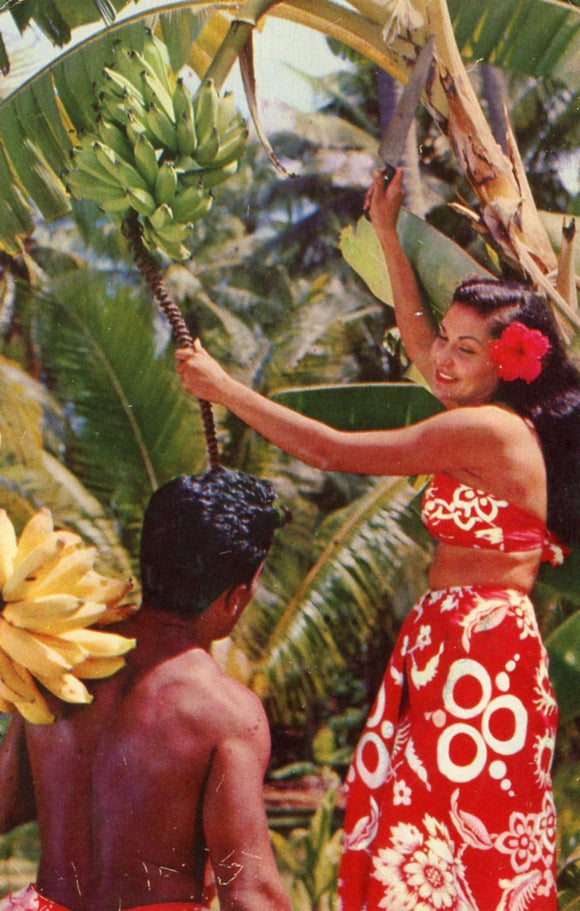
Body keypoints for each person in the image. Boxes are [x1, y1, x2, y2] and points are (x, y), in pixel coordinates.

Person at [174, 168, 579, 910]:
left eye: (465, 350)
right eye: (447, 342)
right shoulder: (487, 410)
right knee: (426, 832)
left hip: (478, 651)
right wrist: (389, 234)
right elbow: (421, 339)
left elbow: (332, 450)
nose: (441, 361)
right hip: (456, 642)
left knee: (458, 836)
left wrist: (223, 387)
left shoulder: (486, 429)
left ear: (512, 358)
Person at [0, 468, 291, 911]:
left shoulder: (60, 656)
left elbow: (7, 803)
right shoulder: (226, 710)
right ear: (234, 597)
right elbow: (252, 894)